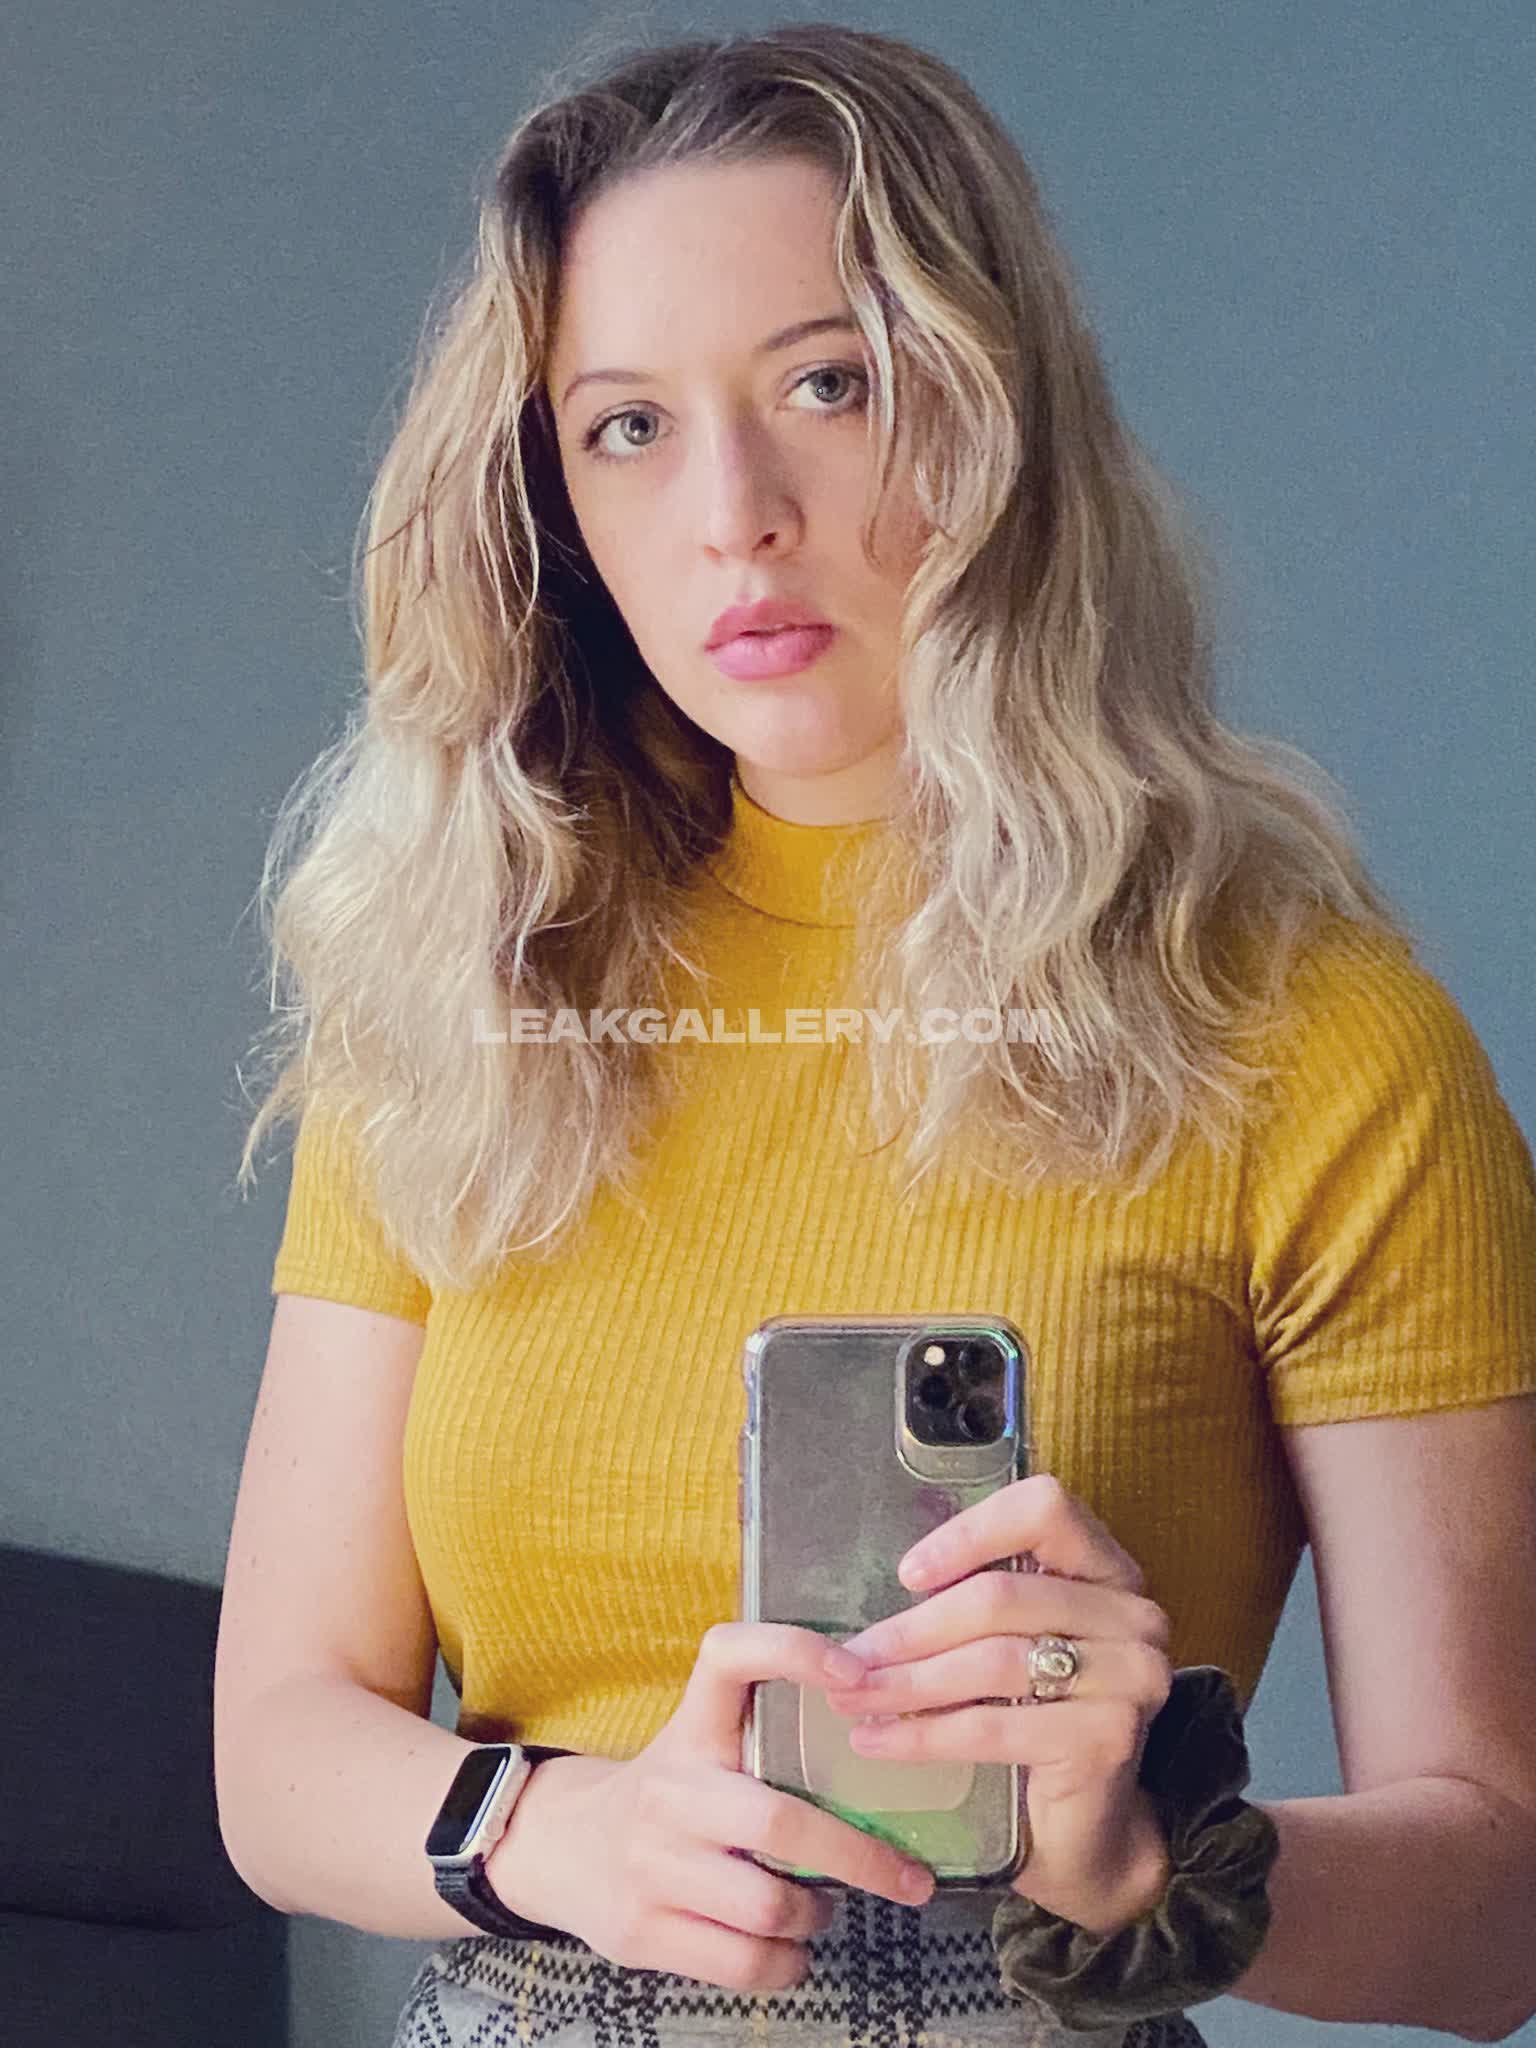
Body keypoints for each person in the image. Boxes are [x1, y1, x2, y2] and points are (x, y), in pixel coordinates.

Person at [214, 22, 1536, 2048]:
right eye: (627, 427)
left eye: (826, 383)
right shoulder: (465, 1002)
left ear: (994, 410)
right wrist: (569, 1830)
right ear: (551, 499)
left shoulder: (1318, 1040)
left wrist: (1146, 1864)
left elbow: (1500, 1910)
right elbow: (276, 1745)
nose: (733, 512)